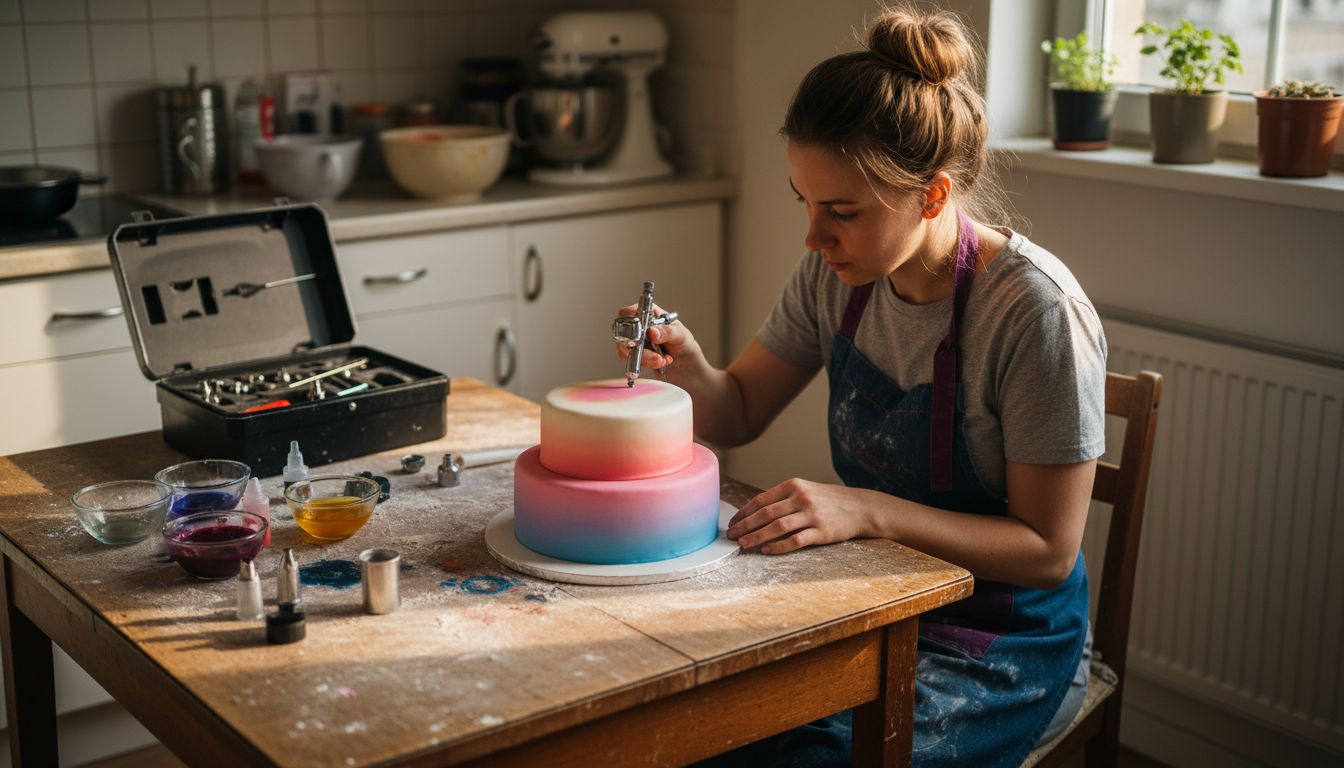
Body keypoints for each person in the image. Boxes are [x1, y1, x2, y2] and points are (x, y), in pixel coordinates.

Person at [616, 5, 1106, 767]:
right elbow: (739, 410)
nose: (812, 237)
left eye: (842, 212)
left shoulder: (1033, 314)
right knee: (686, 717)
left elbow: (1046, 549)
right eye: (804, 203)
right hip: (871, 600)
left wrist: (867, 510)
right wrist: (685, 363)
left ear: (934, 197)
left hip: (997, 644)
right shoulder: (834, 273)